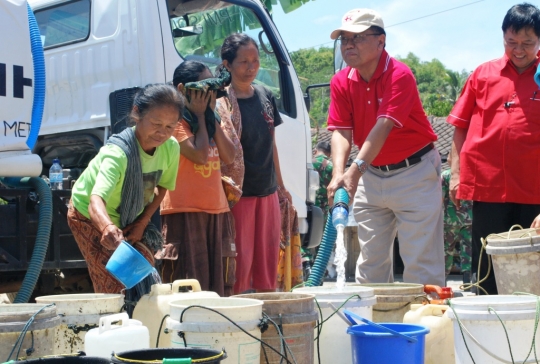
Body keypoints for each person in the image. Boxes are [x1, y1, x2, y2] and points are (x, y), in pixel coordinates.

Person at [326, 9, 445, 286]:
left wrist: (354, 171)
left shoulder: (399, 75)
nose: (348, 45)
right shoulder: (341, 81)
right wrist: (338, 174)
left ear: (381, 41)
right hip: (372, 173)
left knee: (421, 265)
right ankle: (373, 325)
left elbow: (383, 126)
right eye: (344, 39)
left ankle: (425, 326)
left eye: (357, 37)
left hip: (413, 172)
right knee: (370, 265)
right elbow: (341, 131)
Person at [447, 3, 540, 295]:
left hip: (534, 191)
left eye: (528, 43)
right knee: (485, 270)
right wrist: (455, 174)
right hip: (488, 189)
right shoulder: (483, 74)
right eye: (511, 42)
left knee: (532, 270)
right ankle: (488, 323)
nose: (519, 50)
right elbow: (460, 126)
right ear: (503, 37)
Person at [67, 83, 182, 293]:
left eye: (169, 126)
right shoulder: (117, 154)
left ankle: (140, 319)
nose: (162, 133)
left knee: (143, 269)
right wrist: (108, 228)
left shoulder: (171, 147)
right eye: (156, 123)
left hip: (131, 218)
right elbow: (96, 200)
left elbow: (162, 187)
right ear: (137, 113)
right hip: (89, 214)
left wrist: (142, 222)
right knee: (114, 281)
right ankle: (112, 321)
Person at [220, 33, 291, 294]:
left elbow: (271, 143)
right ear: (227, 64)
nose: (251, 67)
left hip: (267, 192)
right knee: (240, 264)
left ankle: (268, 319)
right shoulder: (221, 101)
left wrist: (281, 187)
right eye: (244, 62)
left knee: (268, 264)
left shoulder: (265, 95)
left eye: (256, 61)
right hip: (238, 196)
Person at [159, 61, 237, 296]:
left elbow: (230, 155)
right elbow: (200, 155)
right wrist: (202, 118)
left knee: (217, 284)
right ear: (183, 90)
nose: (208, 94)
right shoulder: (175, 123)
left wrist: (209, 117)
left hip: (216, 210)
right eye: (203, 88)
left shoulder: (210, 119)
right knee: (188, 282)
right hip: (183, 211)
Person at [441, 152, 472, 285]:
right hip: (470, 218)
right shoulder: (471, 174)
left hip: (450, 220)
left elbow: (440, 198)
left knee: (446, 251)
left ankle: (442, 281)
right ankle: (468, 282)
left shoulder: (446, 175)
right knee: (469, 250)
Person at [313, 141, 334, 218]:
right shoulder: (333, 167)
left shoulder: (308, 164)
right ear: (329, 154)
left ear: (315, 151)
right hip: (326, 208)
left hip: (309, 207)